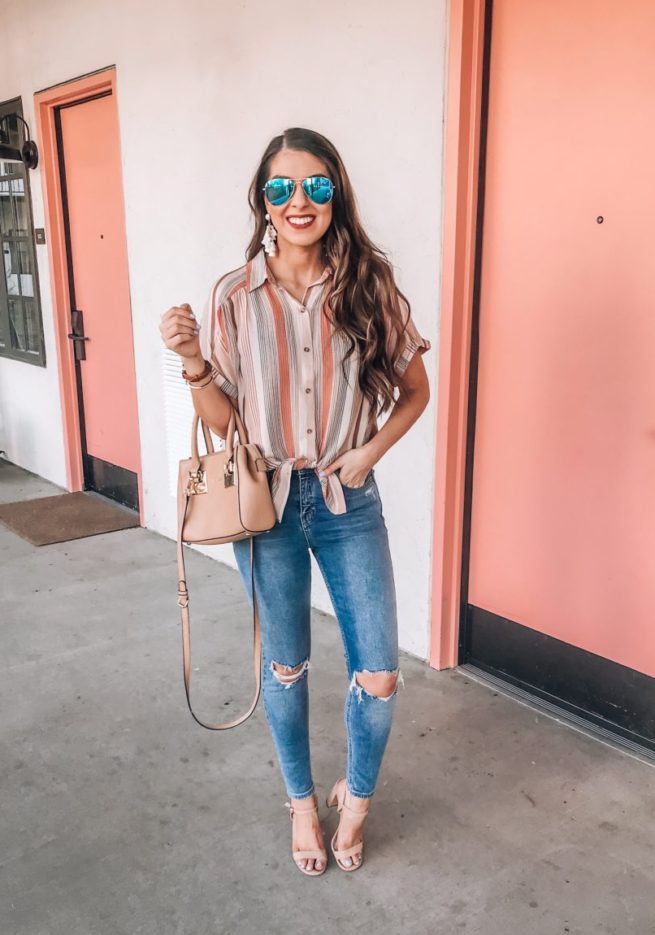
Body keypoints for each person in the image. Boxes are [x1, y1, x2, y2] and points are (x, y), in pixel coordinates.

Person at [160, 127, 431, 877]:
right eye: (280, 188)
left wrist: (369, 452)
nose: (298, 201)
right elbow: (227, 424)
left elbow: (415, 391)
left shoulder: (368, 282)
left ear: (336, 192)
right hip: (266, 504)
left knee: (376, 670)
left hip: (350, 502)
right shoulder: (232, 295)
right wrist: (191, 363)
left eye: (315, 184)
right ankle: (303, 804)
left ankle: (359, 802)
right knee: (284, 666)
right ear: (263, 200)